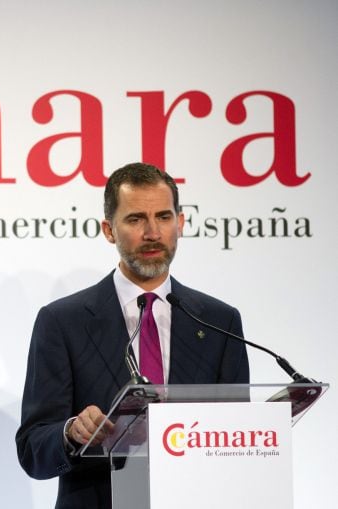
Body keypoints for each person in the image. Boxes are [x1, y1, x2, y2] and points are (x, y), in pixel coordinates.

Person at [15, 162, 249, 509]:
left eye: (164, 217)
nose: (153, 232)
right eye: (136, 219)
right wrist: (70, 432)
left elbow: (237, 440)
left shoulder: (220, 321)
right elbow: (33, 449)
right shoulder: (62, 322)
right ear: (109, 230)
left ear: (181, 224)